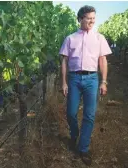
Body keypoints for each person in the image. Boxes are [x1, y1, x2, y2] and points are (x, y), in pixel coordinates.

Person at [59, 5, 112, 166]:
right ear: (80, 18)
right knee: (71, 113)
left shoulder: (99, 38)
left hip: (92, 79)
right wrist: (64, 82)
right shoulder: (70, 38)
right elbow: (64, 61)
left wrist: (103, 81)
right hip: (74, 79)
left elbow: (102, 60)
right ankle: (74, 134)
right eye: (89, 18)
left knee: (89, 115)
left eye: (93, 18)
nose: (92, 21)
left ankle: (83, 148)